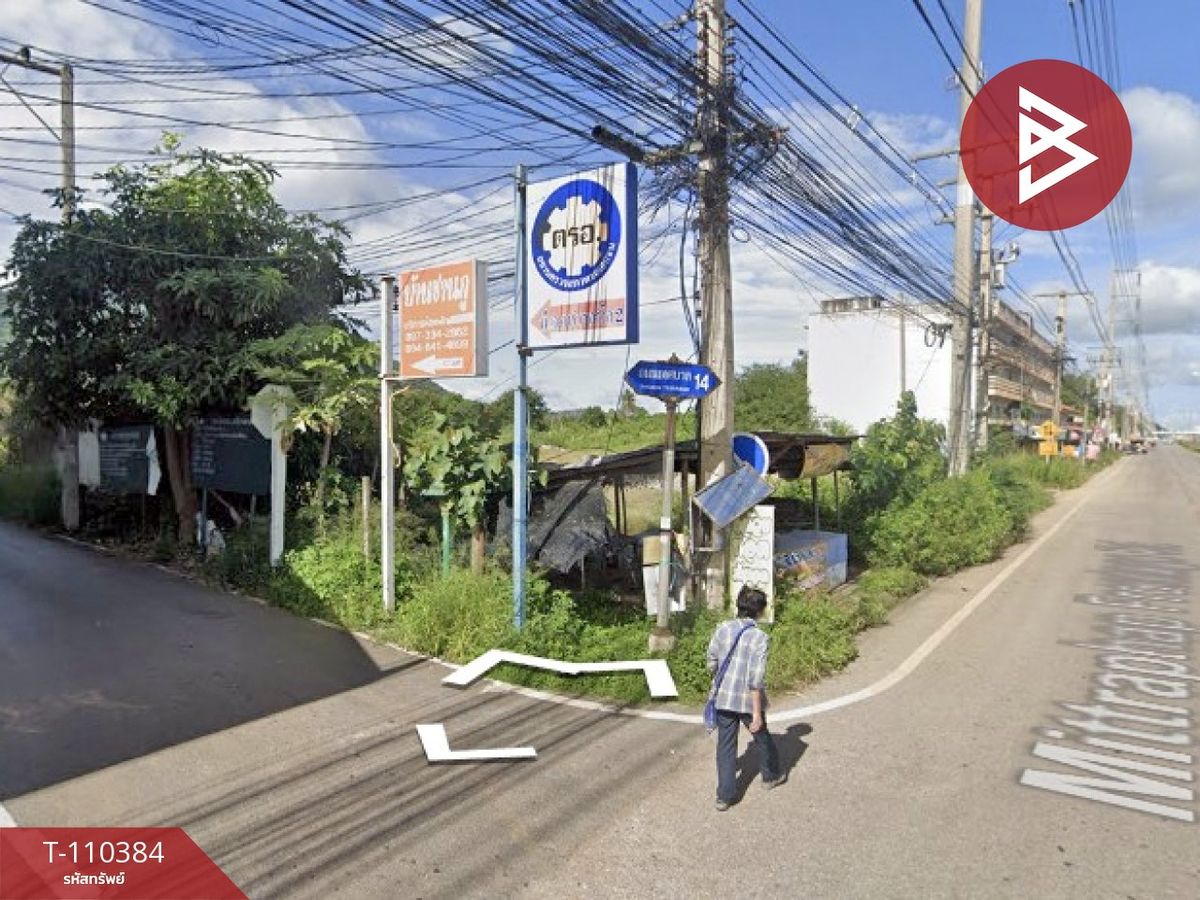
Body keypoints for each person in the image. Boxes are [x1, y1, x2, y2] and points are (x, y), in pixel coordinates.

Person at [706, 586, 783, 811]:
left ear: (738, 606)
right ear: (760, 611)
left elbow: (711, 661)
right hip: (748, 701)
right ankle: (770, 776)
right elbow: (755, 679)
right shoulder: (760, 637)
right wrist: (757, 713)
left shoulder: (723, 628)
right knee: (761, 736)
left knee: (725, 745)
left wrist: (722, 678)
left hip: (723, 697)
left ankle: (724, 796)